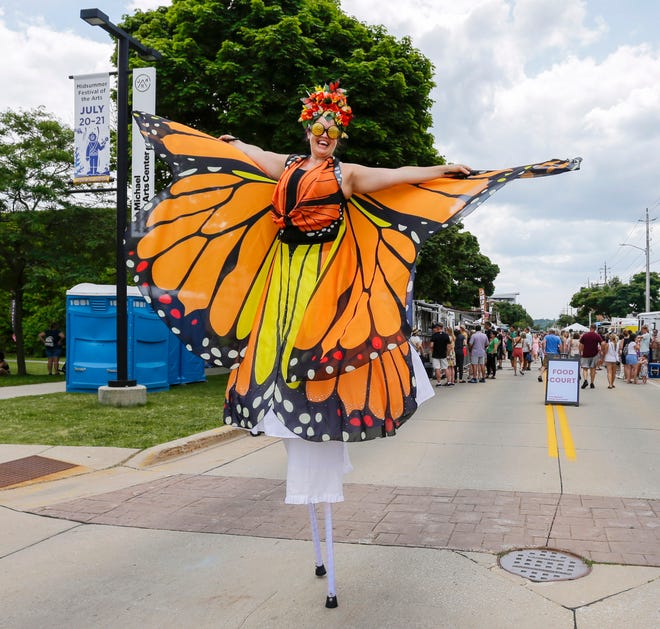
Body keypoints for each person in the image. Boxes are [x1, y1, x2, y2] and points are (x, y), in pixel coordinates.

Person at [129, 80, 578, 609]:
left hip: (326, 273)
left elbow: (397, 177)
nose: (325, 136)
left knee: (333, 337)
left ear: (339, 135)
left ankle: (329, 392)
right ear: (308, 128)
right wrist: (229, 146)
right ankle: (278, 391)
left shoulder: (349, 175)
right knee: (271, 348)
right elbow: (252, 152)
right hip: (280, 275)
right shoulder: (288, 166)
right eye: (318, 128)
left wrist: (440, 171)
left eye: (332, 130)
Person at [579, 324, 603, 389]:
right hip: (594, 354)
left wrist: (580, 352)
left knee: (585, 368)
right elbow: (602, 343)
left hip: (585, 354)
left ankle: (585, 380)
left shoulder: (585, 335)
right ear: (595, 329)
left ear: (590, 328)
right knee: (593, 369)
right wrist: (601, 352)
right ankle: (592, 383)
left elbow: (581, 345)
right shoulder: (597, 336)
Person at [430, 322, 451, 386]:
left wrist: (431, 352)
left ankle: (439, 382)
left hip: (436, 354)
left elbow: (431, 345)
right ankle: (449, 382)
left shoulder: (434, 335)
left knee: (437, 368)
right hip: (443, 354)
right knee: (446, 368)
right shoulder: (446, 335)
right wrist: (448, 354)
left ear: (438, 328)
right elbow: (449, 346)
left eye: (436, 327)